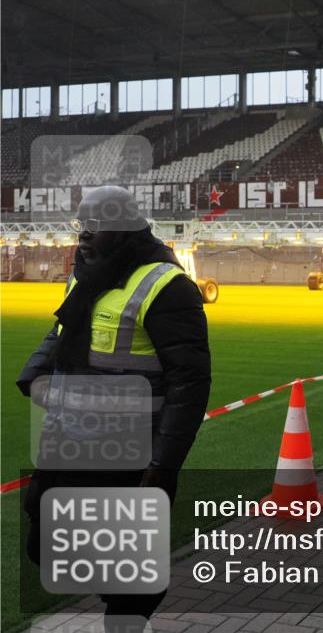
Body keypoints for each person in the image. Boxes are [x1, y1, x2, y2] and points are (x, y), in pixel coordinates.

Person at [16, 186, 211, 633]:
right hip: (69, 440)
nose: (84, 235)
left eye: (96, 226)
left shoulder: (166, 286)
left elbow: (190, 382)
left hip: (129, 450)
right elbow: (63, 330)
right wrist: (35, 371)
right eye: (81, 225)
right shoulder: (86, 272)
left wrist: (163, 464)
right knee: (43, 541)